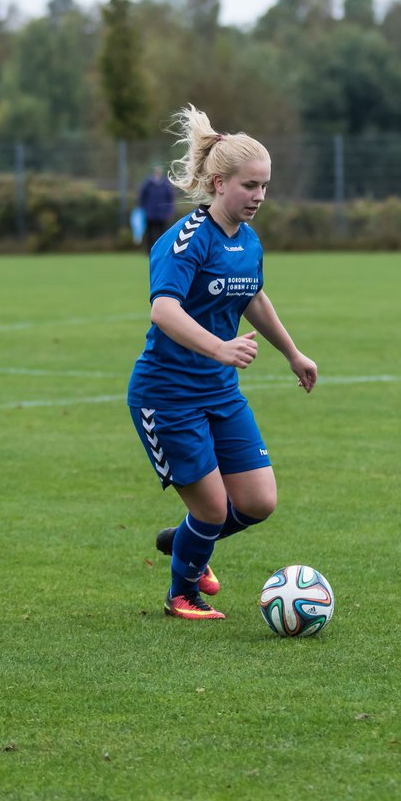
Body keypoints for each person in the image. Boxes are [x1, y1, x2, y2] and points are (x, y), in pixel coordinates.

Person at [127, 105, 318, 620]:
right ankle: (181, 592)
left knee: (258, 501)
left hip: (218, 391)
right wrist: (220, 348)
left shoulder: (248, 240)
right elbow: (163, 308)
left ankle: (188, 540)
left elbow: (254, 297)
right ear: (218, 183)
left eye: (265, 186)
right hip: (167, 395)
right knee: (212, 508)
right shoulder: (185, 240)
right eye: (249, 186)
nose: (259, 197)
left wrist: (293, 353)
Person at [138, 164, 175, 248]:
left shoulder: (166, 185)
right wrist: (145, 209)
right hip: (150, 214)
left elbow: (170, 199)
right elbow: (142, 197)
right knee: (150, 233)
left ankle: (161, 249)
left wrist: (168, 211)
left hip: (162, 215)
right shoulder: (148, 184)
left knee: (162, 234)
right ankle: (149, 250)